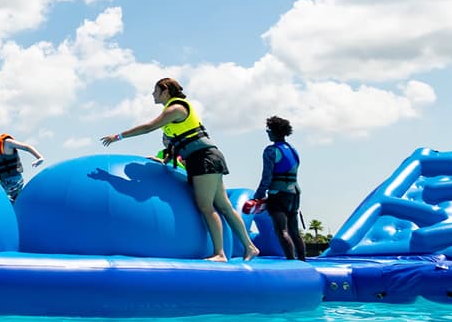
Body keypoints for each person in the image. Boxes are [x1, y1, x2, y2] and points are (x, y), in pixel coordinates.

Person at [100, 78, 259, 262]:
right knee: (223, 206)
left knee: (206, 206)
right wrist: (164, 159)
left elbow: (149, 127)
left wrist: (118, 137)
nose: (153, 94)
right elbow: (179, 141)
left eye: (155, 90)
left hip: (204, 159)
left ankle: (220, 253)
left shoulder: (175, 109)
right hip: (207, 157)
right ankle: (250, 247)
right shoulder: (173, 115)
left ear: (165, 91)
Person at [251, 115, 305, 261]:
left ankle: (291, 261)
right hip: (294, 193)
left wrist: (258, 195)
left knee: (281, 230)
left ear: (275, 131)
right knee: (295, 231)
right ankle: (303, 261)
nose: (267, 133)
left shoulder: (270, 150)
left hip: (278, 194)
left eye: (269, 130)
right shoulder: (293, 150)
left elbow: (266, 177)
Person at [0, 123, 46, 202]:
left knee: (5, 198)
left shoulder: (7, 143)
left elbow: (26, 147)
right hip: (3, 183)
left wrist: (39, 157)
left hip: (15, 182)